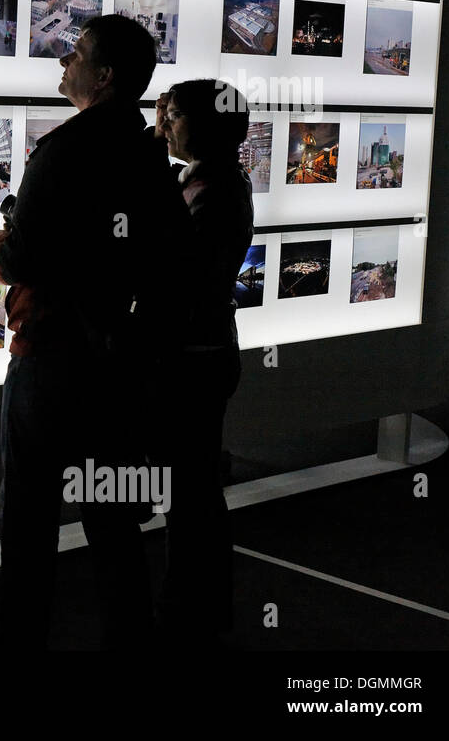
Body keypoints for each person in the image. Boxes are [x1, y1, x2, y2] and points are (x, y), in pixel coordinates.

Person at [0, 13, 193, 649]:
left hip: (49, 362)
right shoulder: (145, 154)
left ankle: (21, 641)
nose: (62, 62)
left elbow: (23, 257)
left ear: (102, 77)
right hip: (113, 365)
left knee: (29, 518)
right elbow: (167, 257)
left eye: (74, 53)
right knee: (112, 523)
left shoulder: (65, 150)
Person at [150, 78, 253, 645]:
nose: (164, 121)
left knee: (189, 496)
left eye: (175, 114)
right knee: (192, 491)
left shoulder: (211, 192)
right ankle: (196, 608)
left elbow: (178, 274)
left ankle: (191, 614)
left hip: (192, 361)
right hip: (203, 355)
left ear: (207, 126)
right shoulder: (209, 181)